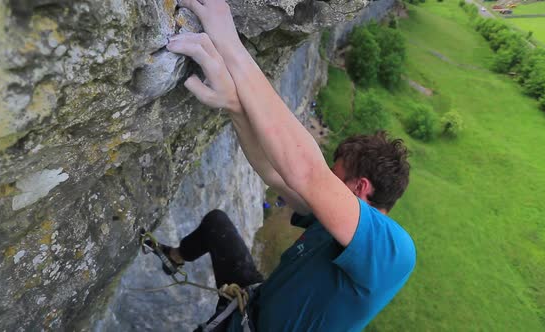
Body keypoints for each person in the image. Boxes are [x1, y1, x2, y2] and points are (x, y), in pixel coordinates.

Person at [159, 0, 416, 330]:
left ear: (360, 186)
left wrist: (229, 42)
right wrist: (235, 106)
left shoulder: (390, 252)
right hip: (251, 307)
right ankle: (175, 257)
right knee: (216, 225)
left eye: (334, 177)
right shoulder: (334, 223)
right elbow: (275, 173)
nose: (326, 181)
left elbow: (307, 173)